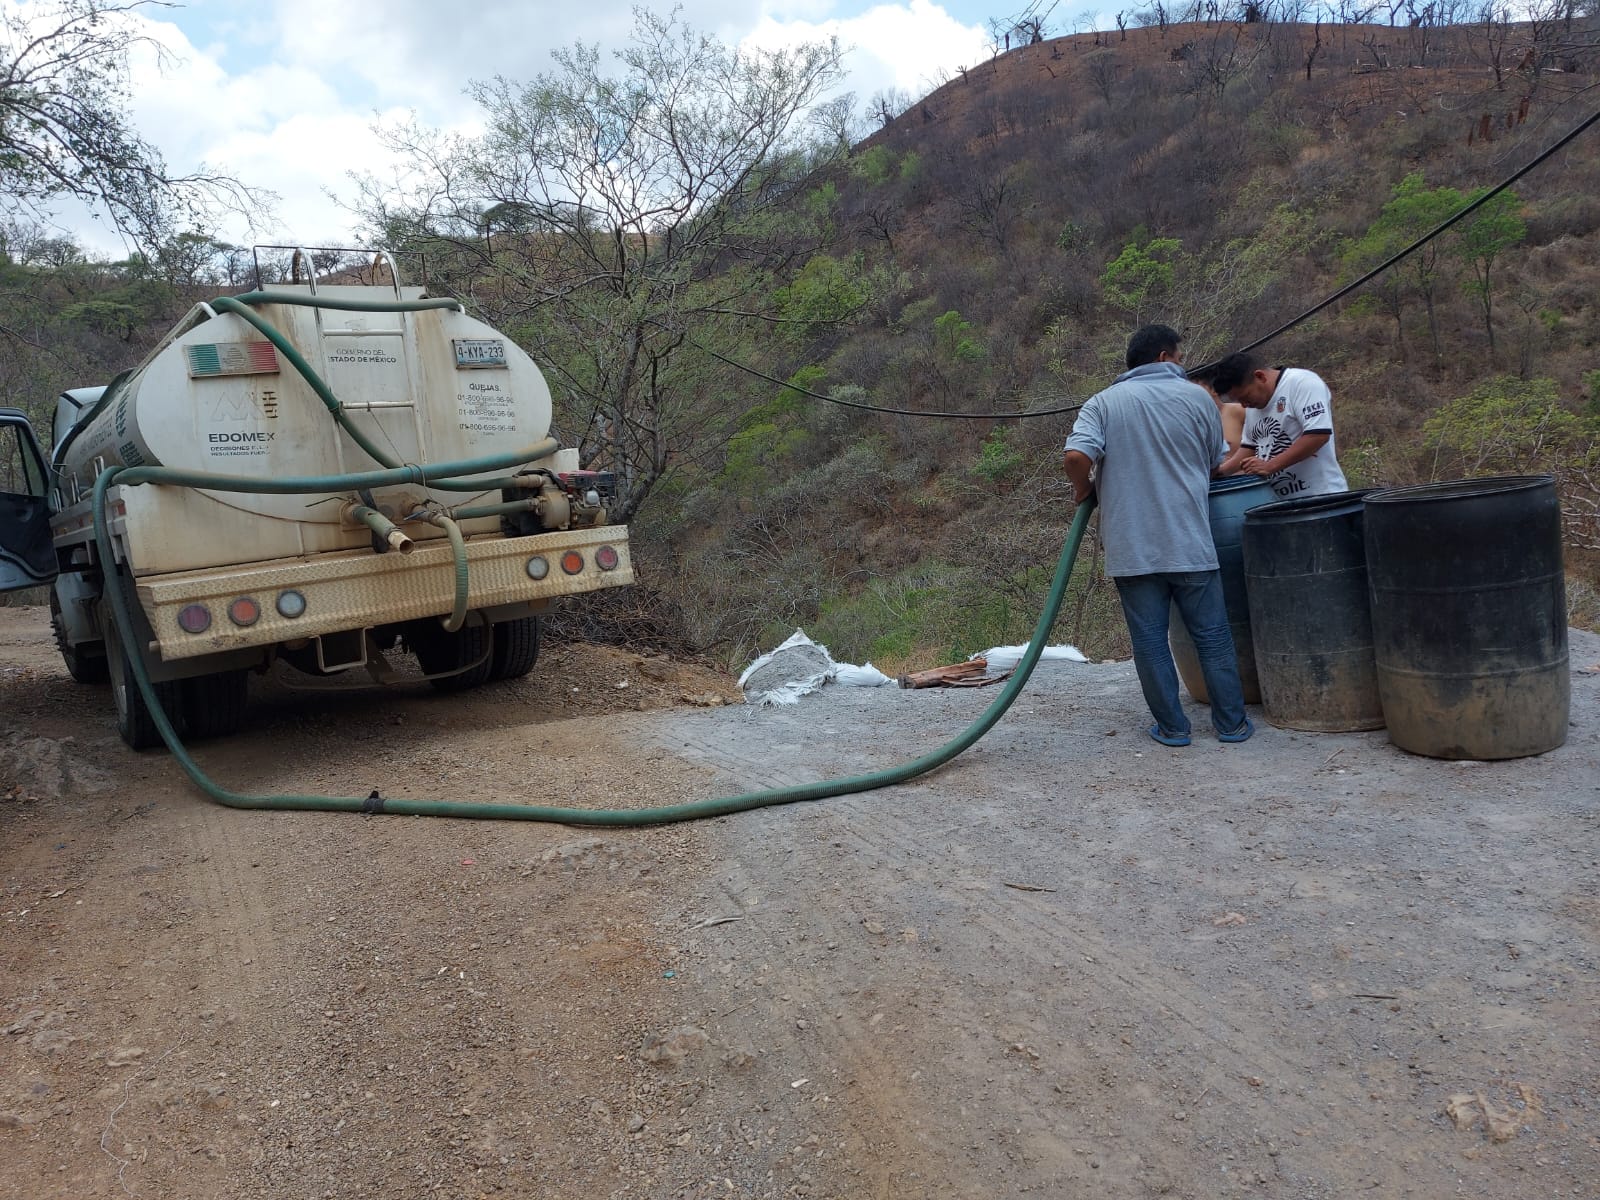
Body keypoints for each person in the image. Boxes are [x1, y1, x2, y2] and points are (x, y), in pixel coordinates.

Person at [1063, 325, 1253, 747]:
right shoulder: (1198, 399)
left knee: (1150, 642)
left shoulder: (1102, 404)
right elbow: (1214, 462)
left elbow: (1076, 455)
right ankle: (1232, 725)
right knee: (1213, 637)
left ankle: (1173, 728)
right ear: (1166, 357)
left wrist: (1084, 488)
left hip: (1133, 548)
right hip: (1191, 541)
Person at [1210, 353, 1347, 499]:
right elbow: (1250, 447)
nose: (1243, 405)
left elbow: (1318, 435)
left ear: (1260, 377)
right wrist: (1221, 472)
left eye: (1245, 397)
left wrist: (1270, 466)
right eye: (1238, 400)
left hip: (1320, 498)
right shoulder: (1253, 407)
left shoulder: (1302, 383)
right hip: (1278, 502)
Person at [1184, 362, 1246, 459]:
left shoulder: (1239, 411)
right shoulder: (1190, 422)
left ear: (1213, 389)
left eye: (1196, 390)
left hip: (1244, 472)